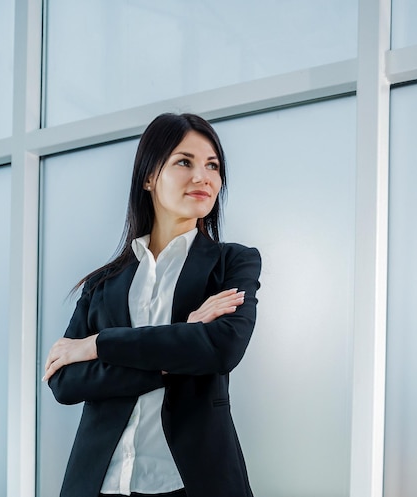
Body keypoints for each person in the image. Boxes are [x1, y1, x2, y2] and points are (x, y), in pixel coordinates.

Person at [42, 113, 261, 497]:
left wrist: (97, 345)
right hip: (99, 483)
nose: (203, 177)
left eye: (212, 165)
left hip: (191, 483)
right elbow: (65, 381)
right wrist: (180, 345)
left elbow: (222, 349)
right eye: (184, 162)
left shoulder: (233, 263)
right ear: (148, 177)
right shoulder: (102, 284)